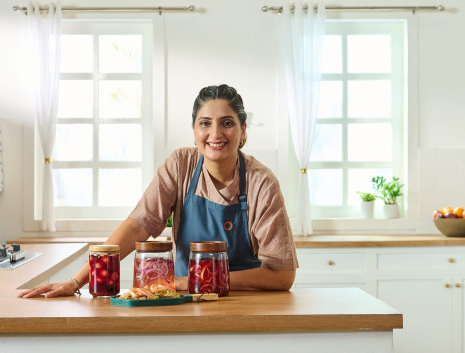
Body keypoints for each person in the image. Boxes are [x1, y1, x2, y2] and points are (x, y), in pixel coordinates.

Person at [18, 84, 298, 298]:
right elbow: (137, 227)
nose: (215, 133)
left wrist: (198, 281)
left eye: (227, 123)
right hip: (187, 303)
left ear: (243, 130)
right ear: (194, 130)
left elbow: (282, 277)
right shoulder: (181, 165)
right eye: (205, 123)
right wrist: (76, 282)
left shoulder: (262, 183)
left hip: (245, 304)